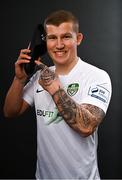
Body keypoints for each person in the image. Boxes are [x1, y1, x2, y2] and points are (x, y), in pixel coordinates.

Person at [4, 10, 112, 179]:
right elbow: (10, 111)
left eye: (66, 37)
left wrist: (55, 88)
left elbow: (87, 127)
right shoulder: (40, 76)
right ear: (45, 42)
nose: (59, 44)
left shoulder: (97, 76)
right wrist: (20, 79)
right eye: (52, 38)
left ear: (78, 39)